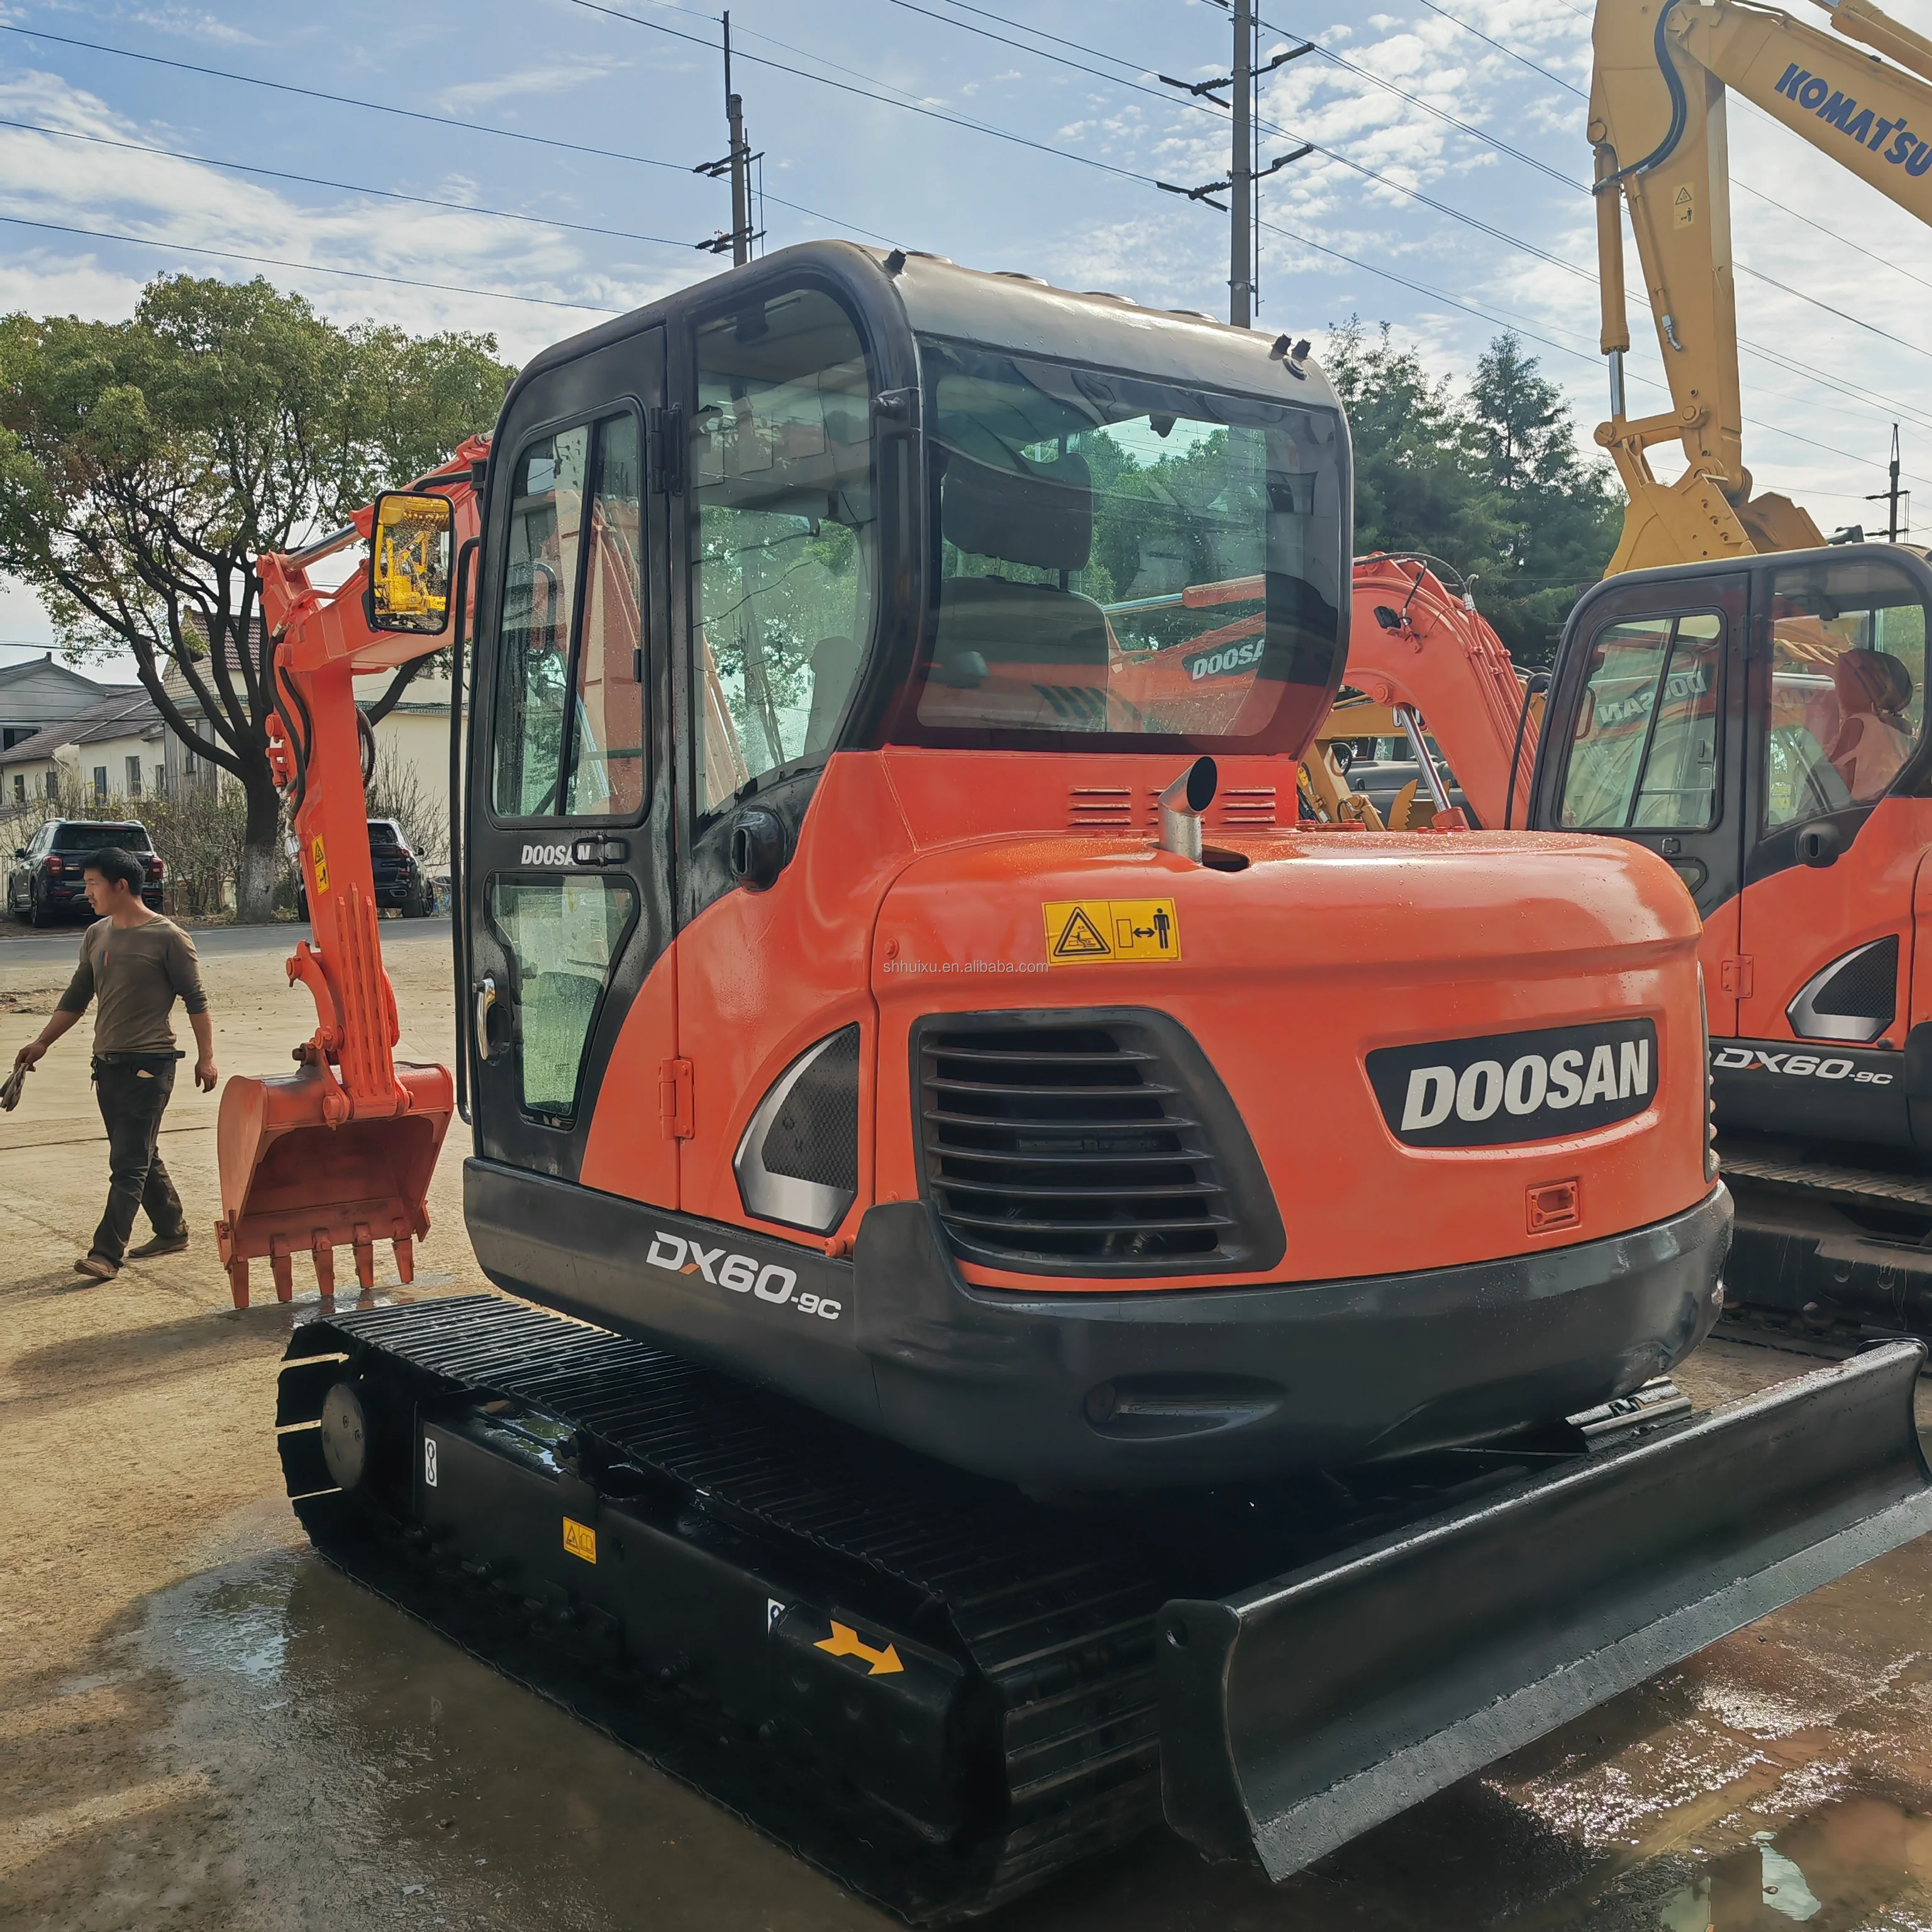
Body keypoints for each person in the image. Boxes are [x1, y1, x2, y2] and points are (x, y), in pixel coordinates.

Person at [11, 847, 216, 1280]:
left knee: (127, 1165)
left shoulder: (168, 937)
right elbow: (77, 995)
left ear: (120, 886)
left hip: (150, 1065)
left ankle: (106, 1254)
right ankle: (171, 1230)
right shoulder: (96, 934)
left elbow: (196, 1000)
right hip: (106, 1065)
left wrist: (207, 1058)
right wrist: (42, 1042)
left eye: (93, 884)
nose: (87, 892)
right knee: (140, 1154)